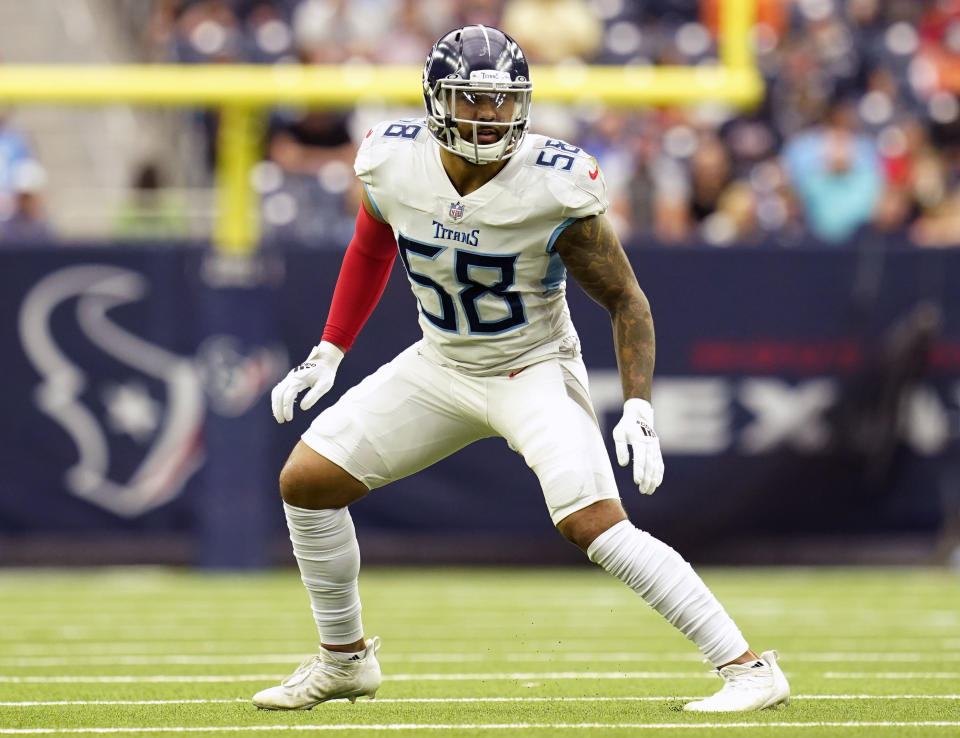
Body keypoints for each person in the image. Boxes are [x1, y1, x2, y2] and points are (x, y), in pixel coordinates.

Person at [253, 25, 790, 713]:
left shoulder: (554, 184)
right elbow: (371, 245)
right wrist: (331, 349)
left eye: (503, 101)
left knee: (592, 523)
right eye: (472, 100)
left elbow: (626, 297)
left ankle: (748, 668)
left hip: (530, 366)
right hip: (441, 362)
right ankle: (344, 661)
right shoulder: (391, 162)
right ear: (436, 100)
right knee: (307, 482)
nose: (489, 116)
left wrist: (639, 407)